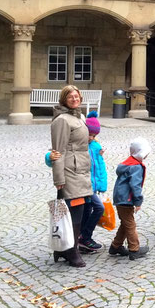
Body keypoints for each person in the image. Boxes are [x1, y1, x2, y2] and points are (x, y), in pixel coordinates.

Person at [50, 85, 93, 268]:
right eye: (70, 97)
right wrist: (59, 180)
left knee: (84, 209)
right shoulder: (62, 120)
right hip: (71, 171)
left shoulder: (79, 116)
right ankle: (71, 250)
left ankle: (63, 248)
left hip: (82, 170)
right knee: (76, 211)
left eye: (77, 96)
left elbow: (79, 142)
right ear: (64, 99)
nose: (75, 99)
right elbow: (58, 150)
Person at [109, 138, 152, 260]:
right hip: (126, 199)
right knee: (130, 224)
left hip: (120, 198)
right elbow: (135, 185)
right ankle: (134, 249)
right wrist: (138, 201)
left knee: (126, 222)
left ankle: (115, 246)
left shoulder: (128, 163)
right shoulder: (135, 167)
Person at [78, 111, 106, 253]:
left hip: (93, 187)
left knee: (87, 211)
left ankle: (83, 239)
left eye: (94, 136)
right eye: (90, 134)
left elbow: (100, 167)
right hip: (84, 186)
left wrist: (102, 185)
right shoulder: (81, 145)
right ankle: (85, 237)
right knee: (99, 208)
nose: (92, 137)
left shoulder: (95, 146)